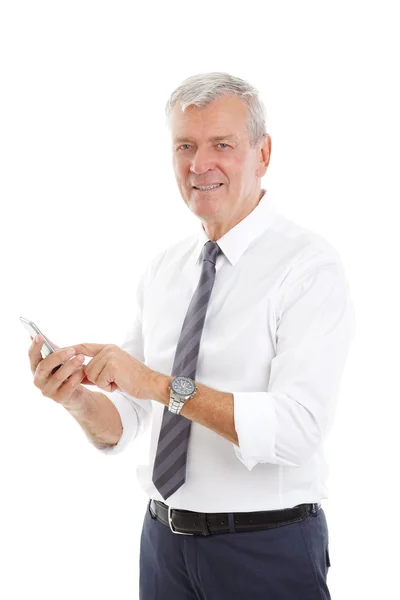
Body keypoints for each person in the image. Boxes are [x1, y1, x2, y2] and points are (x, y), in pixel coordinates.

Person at [28, 72, 355, 599]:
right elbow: (130, 419)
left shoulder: (309, 268)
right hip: (163, 546)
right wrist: (77, 400)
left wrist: (158, 385)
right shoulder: (165, 269)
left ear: (263, 152)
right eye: (185, 146)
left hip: (264, 549)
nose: (199, 165)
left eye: (221, 145)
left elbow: (297, 430)